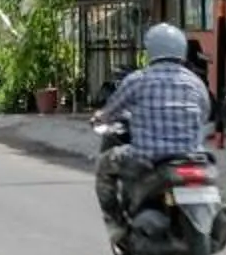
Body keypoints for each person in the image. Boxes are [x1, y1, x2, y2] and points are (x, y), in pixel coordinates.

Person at [91, 23, 212, 222]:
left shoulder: (139, 80)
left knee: (104, 166)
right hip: (192, 156)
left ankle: (116, 223)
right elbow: (205, 113)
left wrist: (98, 117)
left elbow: (110, 112)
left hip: (148, 158)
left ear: (151, 51)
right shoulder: (195, 82)